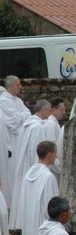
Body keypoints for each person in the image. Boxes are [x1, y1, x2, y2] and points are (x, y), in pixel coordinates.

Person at [17, 141, 59, 235]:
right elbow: (52, 206)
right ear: (49, 154)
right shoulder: (48, 177)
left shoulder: (28, 174)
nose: (56, 157)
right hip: (43, 224)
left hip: (29, 222)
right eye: (55, 153)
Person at [9, 99, 49, 229]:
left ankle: (20, 223)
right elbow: (36, 150)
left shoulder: (27, 124)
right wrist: (38, 168)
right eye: (49, 110)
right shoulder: (38, 127)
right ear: (43, 111)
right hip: (32, 166)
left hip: (23, 164)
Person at [0, 75, 31, 204]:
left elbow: (28, 114)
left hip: (19, 137)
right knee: (11, 170)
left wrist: (21, 116)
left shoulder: (18, 101)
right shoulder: (4, 100)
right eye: (18, 85)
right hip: (11, 139)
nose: (20, 87)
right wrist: (21, 116)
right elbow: (12, 120)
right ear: (11, 86)